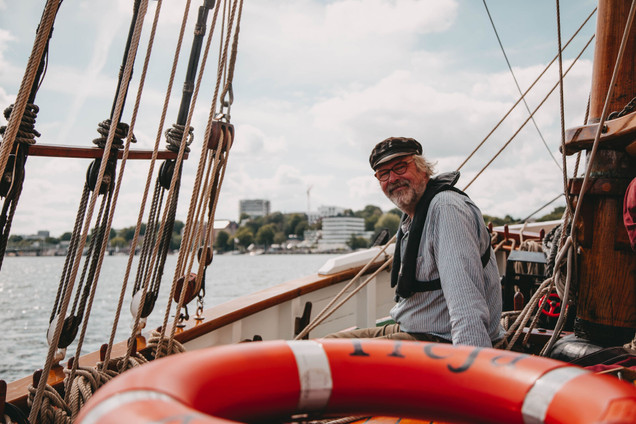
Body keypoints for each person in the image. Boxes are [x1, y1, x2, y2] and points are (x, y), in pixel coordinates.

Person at [325, 137, 504, 347]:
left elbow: (466, 304)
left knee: (333, 355)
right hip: (413, 327)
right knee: (325, 344)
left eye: (400, 167)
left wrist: (471, 368)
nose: (392, 179)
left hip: (440, 339)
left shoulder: (445, 210)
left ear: (423, 169)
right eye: (384, 174)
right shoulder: (414, 216)